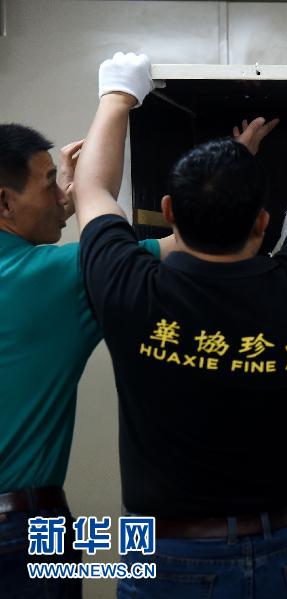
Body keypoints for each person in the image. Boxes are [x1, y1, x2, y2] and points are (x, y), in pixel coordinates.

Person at [73, 52, 287, 597]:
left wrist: (116, 95)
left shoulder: (131, 289)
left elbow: (91, 190)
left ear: (168, 211)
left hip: (168, 556)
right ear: (264, 222)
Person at [0, 123, 171, 596]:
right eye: (49, 185)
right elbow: (193, 247)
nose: (63, 195)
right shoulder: (54, 278)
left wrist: (65, 198)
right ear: (5, 203)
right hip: (21, 535)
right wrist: (226, 184)